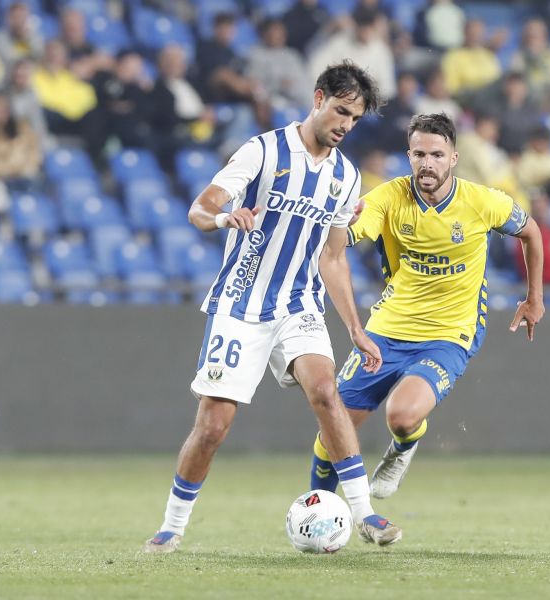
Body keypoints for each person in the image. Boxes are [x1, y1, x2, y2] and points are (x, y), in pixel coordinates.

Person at [143, 62, 401, 553]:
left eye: (355, 118)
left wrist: (355, 328)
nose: (346, 125)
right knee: (214, 425)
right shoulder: (263, 150)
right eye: (341, 111)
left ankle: (364, 512)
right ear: (319, 97)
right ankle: (172, 526)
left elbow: (333, 255)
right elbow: (199, 208)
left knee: (327, 391)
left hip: (299, 303)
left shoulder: (346, 177)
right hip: (241, 303)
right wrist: (224, 218)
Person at [308, 113, 544, 500]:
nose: (427, 163)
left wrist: (534, 298)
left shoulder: (483, 202)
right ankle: (318, 510)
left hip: (450, 333)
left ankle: (402, 448)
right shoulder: (387, 197)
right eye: (419, 154)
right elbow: (346, 237)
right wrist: (337, 223)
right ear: (409, 155)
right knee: (334, 430)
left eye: (436, 154)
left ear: (453, 158)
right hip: (387, 328)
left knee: (401, 417)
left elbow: (531, 232)